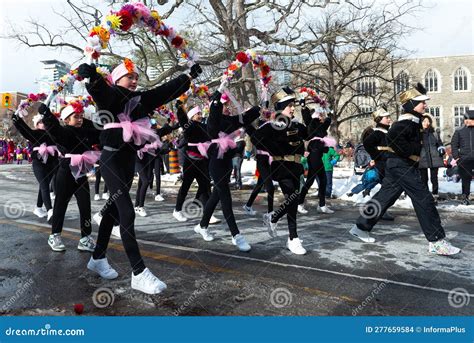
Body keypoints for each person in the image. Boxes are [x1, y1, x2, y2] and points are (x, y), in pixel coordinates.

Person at [78, 58, 200, 294]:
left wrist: (188, 77)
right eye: (129, 76)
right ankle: (138, 272)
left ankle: (98, 257)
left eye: (136, 77)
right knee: (126, 211)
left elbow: (165, 91)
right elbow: (101, 92)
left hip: (127, 162)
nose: (134, 80)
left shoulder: (141, 99)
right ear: (117, 78)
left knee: (112, 211)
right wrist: (92, 77)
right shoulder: (111, 95)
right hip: (111, 159)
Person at [349, 83, 461, 256]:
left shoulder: (413, 121)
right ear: (411, 104)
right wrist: (413, 153)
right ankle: (437, 241)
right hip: (402, 166)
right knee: (424, 199)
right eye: (421, 102)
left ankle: (360, 227)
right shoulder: (406, 122)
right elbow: (394, 138)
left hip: (398, 165)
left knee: (385, 196)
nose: (425, 105)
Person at [194, 89, 260, 251]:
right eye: (225, 104)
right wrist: (215, 102)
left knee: (216, 195)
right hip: (216, 163)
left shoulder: (229, 120)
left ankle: (202, 226)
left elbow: (244, 118)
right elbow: (214, 119)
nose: (228, 107)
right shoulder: (212, 120)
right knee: (225, 197)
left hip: (226, 163)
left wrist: (258, 109)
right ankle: (236, 235)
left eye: (228, 104)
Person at [39, 98, 99, 253]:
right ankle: (54, 235)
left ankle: (85, 238)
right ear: (66, 119)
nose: (80, 119)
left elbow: (101, 133)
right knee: (60, 205)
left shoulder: (87, 130)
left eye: (81, 116)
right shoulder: (63, 132)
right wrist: (46, 114)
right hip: (65, 172)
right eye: (76, 116)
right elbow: (54, 128)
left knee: (85, 205)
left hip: (81, 172)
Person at [257, 87, 308, 255]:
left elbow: (312, 133)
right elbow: (256, 138)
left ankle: (273, 218)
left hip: (295, 167)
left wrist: (306, 108)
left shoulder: (296, 125)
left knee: (294, 199)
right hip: (281, 168)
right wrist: (274, 149)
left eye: (294, 105)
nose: (293, 108)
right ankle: (293, 238)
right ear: (281, 107)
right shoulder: (272, 126)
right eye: (289, 105)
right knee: (292, 200)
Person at [172, 103, 219, 224]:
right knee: (185, 186)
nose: (199, 115)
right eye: (197, 114)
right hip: (190, 161)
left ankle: (208, 214)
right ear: (192, 116)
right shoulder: (189, 126)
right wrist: (180, 108)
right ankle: (177, 210)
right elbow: (182, 120)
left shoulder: (204, 125)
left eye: (200, 113)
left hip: (202, 161)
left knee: (205, 187)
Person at [12, 112, 59, 221]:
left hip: (51, 162)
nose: (44, 124)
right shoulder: (36, 133)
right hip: (38, 163)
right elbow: (25, 130)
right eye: (41, 122)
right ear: (37, 124)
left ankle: (38, 208)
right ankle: (50, 211)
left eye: (45, 122)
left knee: (45, 184)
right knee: (44, 185)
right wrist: (18, 120)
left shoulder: (53, 133)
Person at [297, 99, 334, 215]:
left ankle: (322, 205)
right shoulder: (312, 122)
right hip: (313, 152)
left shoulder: (321, 125)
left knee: (323, 180)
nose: (323, 116)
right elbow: (307, 117)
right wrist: (303, 106)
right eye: (320, 114)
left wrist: (327, 108)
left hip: (318, 152)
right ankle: (299, 203)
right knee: (310, 181)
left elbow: (329, 119)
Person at [361, 108, 395, 220]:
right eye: (387, 117)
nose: (389, 119)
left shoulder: (387, 132)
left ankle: (374, 208)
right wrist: (377, 156)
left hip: (389, 162)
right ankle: (378, 209)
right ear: (380, 119)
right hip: (382, 164)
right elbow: (367, 143)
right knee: (388, 188)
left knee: (388, 188)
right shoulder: (378, 132)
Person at [244, 112, 275, 217]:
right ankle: (270, 212)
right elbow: (247, 125)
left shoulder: (270, 133)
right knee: (270, 187)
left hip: (268, 160)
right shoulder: (257, 134)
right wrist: (247, 114)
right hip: (262, 161)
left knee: (259, 185)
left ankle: (248, 206)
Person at [419, 114, 445, 201]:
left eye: (428, 121)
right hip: (422, 158)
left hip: (434, 157)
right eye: (424, 121)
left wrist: (441, 149)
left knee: (434, 178)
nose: (426, 123)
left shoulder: (434, 132)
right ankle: (425, 194)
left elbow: (440, 143)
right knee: (424, 178)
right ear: (421, 122)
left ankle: (435, 194)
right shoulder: (418, 133)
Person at [451, 108, 474, 205]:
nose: (466, 121)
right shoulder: (459, 131)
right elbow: (454, 144)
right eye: (465, 119)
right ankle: (465, 197)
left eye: (468, 119)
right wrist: (457, 157)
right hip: (464, 159)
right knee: (466, 179)